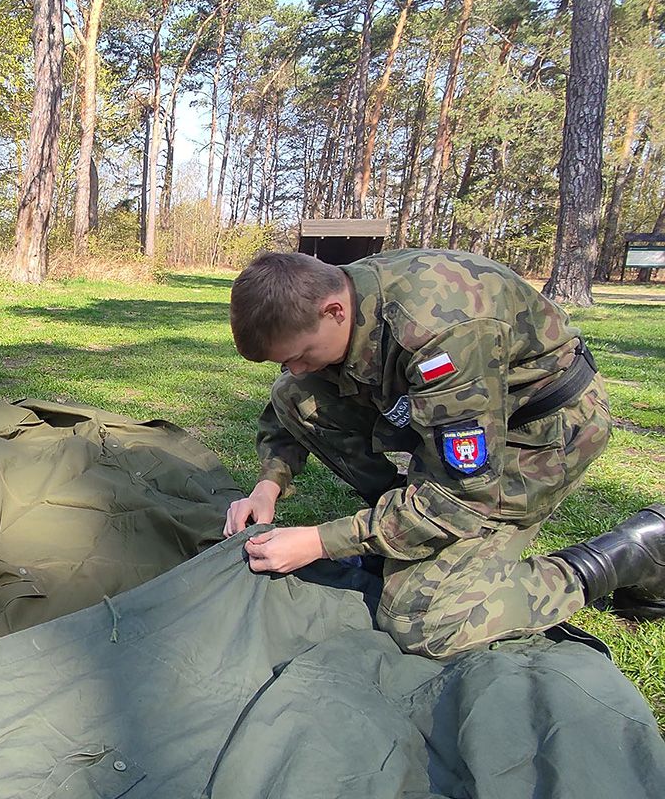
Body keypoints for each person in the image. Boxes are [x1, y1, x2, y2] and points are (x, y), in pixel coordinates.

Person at [223, 249, 665, 658]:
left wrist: (321, 542)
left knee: (422, 622)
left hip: (539, 434)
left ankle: (628, 554)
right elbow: (294, 402)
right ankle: (401, 519)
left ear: (334, 311)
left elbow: (461, 496)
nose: (296, 368)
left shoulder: (442, 333)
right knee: (295, 394)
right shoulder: (348, 294)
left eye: (301, 354)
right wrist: (268, 485)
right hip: (464, 416)